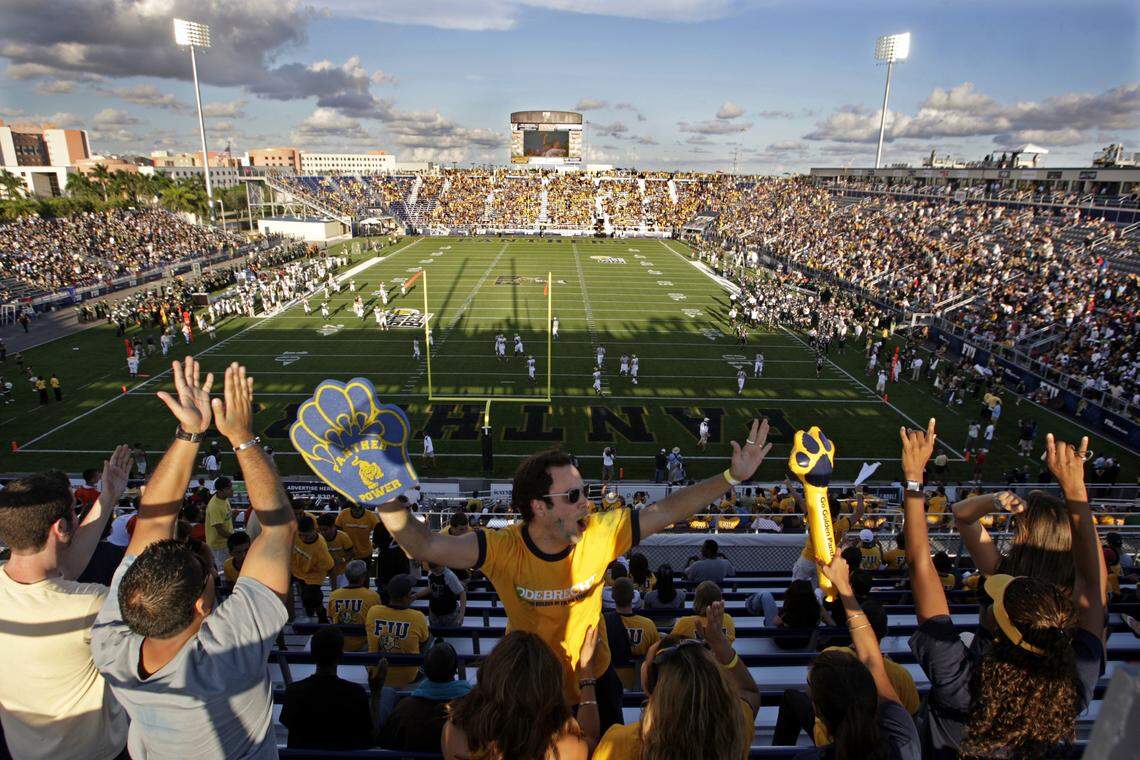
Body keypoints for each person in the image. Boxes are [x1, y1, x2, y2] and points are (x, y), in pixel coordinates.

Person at [374, 419, 773, 728]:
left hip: (597, 678)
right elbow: (423, 545)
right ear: (539, 507)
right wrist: (382, 497)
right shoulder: (500, 547)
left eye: (583, 491)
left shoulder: (601, 534)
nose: (587, 503)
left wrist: (731, 477)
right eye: (573, 496)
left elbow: (668, 510)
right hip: (530, 687)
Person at [90, 358, 299, 759]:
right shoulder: (226, 656)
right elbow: (277, 528)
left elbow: (152, 523)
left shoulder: (112, 646)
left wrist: (190, 433)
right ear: (201, 605)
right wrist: (242, 437)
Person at [900, 420, 1106, 759]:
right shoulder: (1070, 686)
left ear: (1002, 628)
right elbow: (1092, 584)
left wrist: (911, 478)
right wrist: (1076, 491)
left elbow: (920, 563)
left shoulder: (961, 684)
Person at [0, 445, 132, 760]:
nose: (77, 514)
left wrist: (107, 497)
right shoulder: (89, 604)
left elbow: (63, 569)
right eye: (75, 510)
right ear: (60, 527)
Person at [787, 556, 921, 759]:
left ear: (818, 714)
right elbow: (872, 661)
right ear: (870, 693)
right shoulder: (904, 742)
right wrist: (844, 587)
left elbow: (871, 662)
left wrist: (843, 586)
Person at [594, 601, 760, 760]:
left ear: (651, 686)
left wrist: (587, 679)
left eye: (648, 659)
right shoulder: (734, 729)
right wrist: (720, 643)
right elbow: (748, 691)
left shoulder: (618, 741)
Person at [444, 629, 602, 760]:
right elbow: (591, 740)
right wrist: (586, 671)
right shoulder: (567, 750)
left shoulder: (454, 733)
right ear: (549, 689)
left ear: (490, 675)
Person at [280, 626, 378, 750]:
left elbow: (287, 723)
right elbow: (370, 733)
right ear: (341, 656)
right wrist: (376, 693)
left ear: (312, 654)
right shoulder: (356, 693)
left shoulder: (293, 691)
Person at [381, 639, 472, 752]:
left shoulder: (404, 708)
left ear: (426, 670)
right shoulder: (475, 707)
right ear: (455, 670)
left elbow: (387, 744)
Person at [367, 574, 430, 687]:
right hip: (408, 676)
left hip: (377, 672)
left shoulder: (373, 611)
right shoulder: (417, 616)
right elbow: (424, 641)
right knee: (430, 639)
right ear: (407, 596)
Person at [611, 578, 659, 689]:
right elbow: (655, 659)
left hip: (609, 687)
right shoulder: (648, 625)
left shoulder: (602, 622)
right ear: (633, 597)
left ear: (613, 596)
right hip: (639, 687)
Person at [327, 559, 382, 652]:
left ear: (347, 576)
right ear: (364, 576)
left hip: (340, 644)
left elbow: (331, 618)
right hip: (364, 645)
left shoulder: (334, 595)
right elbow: (377, 622)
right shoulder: (373, 596)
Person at [670, 580, 736, 643]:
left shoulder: (684, 623)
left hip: (694, 654)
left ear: (697, 601)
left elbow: (670, 643)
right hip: (721, 654)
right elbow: (730, 641)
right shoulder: (728, 619)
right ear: (719, 600)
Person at [417, 561, 467, 628]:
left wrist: (461, 615)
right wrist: (415, 596)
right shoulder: (431, 573)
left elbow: (462, 593)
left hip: (449, 613)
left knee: (450, 634)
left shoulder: (449, 576)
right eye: (433, 570)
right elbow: (431, 588)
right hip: (434, 612)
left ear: (443, 565)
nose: (435, 572)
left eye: (437, 570)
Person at [336, 500, 380, 568]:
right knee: (347, 576)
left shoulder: (370, 516)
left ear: (364, 507)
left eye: (360, 508)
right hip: (347, 553)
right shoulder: (343, 514)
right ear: (350, 507)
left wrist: (375, 544)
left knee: (365, 576)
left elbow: (379, 529)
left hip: (365, 553)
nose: (357, 510)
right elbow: (338, 530)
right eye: (354, 508)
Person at [317, 512, 355, 588]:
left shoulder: (343, 537)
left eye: (325, 529)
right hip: (329, 571)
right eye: (320, 530)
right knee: (334, 590)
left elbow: (352, 553)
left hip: (343, 571)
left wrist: (342, 560)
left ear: (333, 527)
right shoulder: (319, 538)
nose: (323, 532)